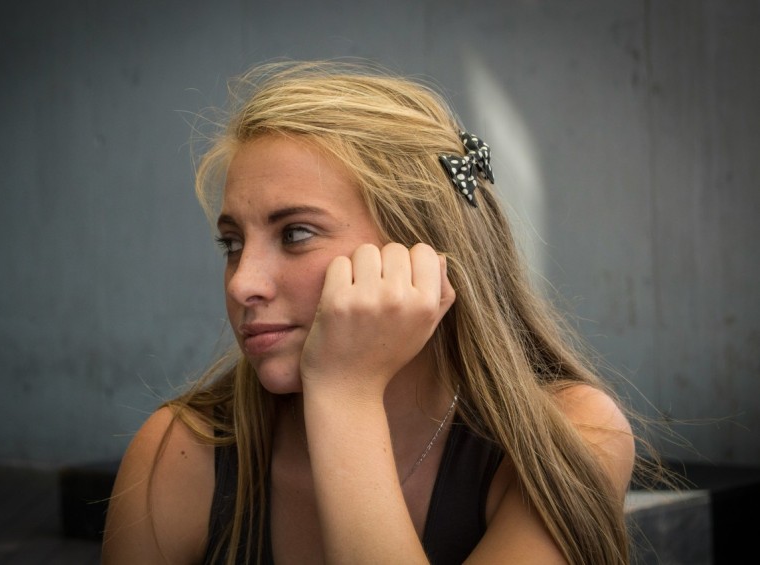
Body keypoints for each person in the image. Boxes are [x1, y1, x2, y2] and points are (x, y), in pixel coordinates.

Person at [101, 61, 636, 565]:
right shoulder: (181, 452)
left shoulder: (569, 435)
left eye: (296, 234)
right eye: (232, 244)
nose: (242, 284)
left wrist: (345, 394)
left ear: (422, 250)